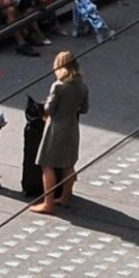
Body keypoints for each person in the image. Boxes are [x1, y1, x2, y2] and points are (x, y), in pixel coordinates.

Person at [31, 50, 90, 215]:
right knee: (68, 164)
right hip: (73, 126)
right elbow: (84, 108)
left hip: (56, 128)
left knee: (47, 164)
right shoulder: (82, 84)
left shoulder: (58, 85)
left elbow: (49, 108)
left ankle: (48, 203)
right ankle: (65, 197)